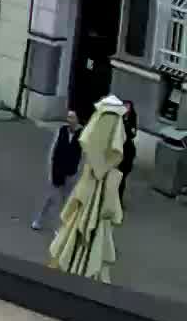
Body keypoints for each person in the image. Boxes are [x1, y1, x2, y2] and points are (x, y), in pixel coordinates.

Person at [48, 96, 129, 281]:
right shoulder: (112, 129)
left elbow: (94, 147)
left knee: (80, 222)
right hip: (94, 186)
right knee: (91, 225)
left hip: (90, 185)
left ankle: (73, 265)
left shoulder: (97, 131)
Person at [32, 111, 84, 230]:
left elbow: (83, 155)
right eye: (68, 117)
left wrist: (78, 172)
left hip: (71, 172)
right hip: (57, 170)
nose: (69, 119)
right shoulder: (61, 130)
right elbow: (53, 150)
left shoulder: (82, 134)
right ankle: (39, 219)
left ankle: (60, 227)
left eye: (72, 117)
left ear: (77, 120)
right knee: (50, 197)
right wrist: (50, 169)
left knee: (65, 202)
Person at [120, 103, 139, 214]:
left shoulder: (131, 120)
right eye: (125, 106)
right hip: (119, 151)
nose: (126, 109)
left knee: (122, 179)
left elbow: (133, 134)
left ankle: (118, 200)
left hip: (127, 154)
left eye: (128, 107)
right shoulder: (119, 119)